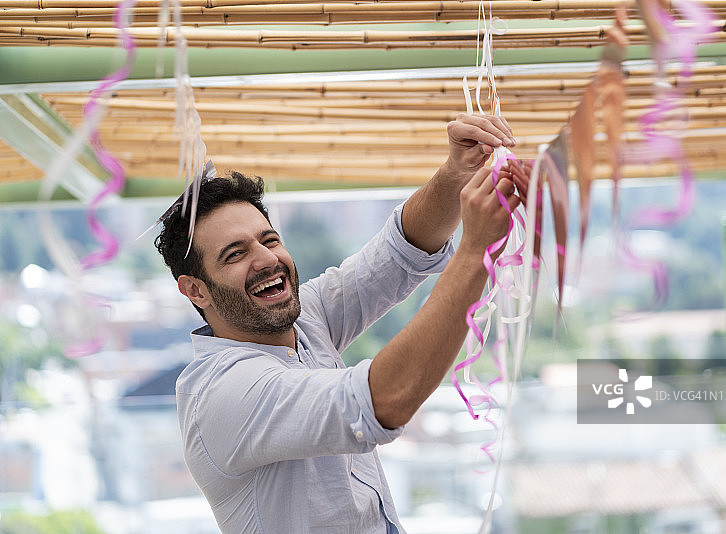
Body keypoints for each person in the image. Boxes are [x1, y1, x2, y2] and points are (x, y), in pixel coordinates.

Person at [154, 113, 524, 533]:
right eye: (235, 254)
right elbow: (384, 400)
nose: (267, 259)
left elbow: (401, 252)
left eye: (269, 239)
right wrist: (474, 251)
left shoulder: (301, 320)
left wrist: (457, 171)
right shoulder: (224, 392)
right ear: (195, 290)